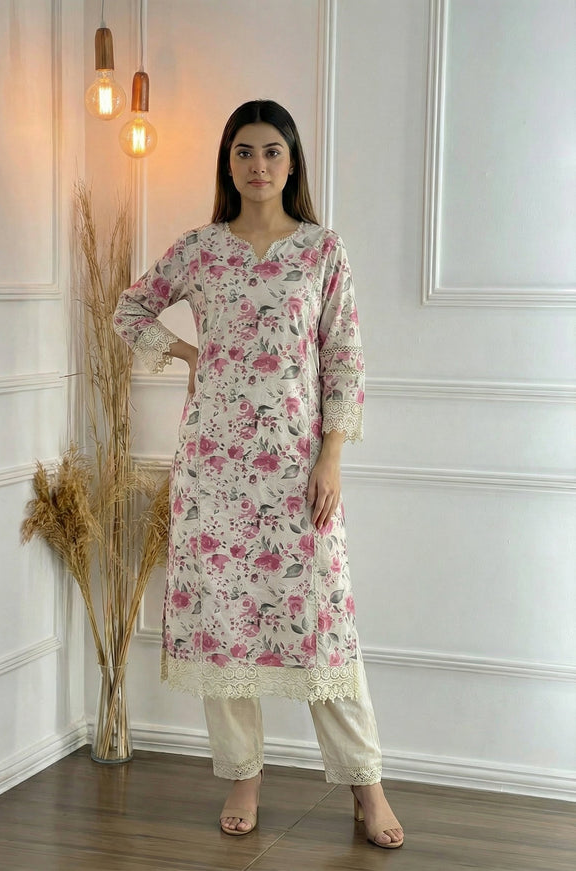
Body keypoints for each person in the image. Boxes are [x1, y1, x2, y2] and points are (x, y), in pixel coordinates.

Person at [113, 99, 404, 849]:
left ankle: (366, 785)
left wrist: (331, 457)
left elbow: (344, 359)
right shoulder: (201, 249)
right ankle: (242, 774)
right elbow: (130, 311)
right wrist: (187, 353)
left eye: (272, 151)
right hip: (214, 471)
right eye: (244, 151)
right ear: (228, 163)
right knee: (226, 623)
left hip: (297, 473)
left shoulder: (322, 251)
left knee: (323, 627)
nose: (258, 165)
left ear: (292, 161)